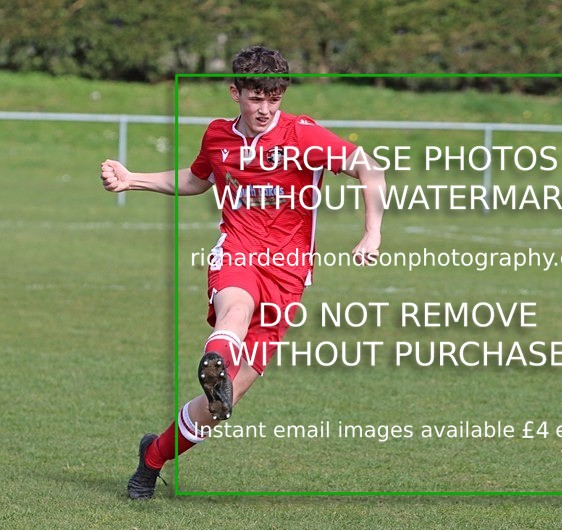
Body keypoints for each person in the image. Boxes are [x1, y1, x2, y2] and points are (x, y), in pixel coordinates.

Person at [101, 45, 385, 499]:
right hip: (238, 251)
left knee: (220, 407)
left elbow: (370, 169)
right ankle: (213, 365)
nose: (265, 109)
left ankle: (152, 457)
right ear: (236, 93)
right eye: (256, 98)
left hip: (288, 275)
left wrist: (372, 232)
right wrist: (132, 179)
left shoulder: (302, 135)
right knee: (236, 308)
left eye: (274, 98)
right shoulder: (218, 136)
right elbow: (197, 179)